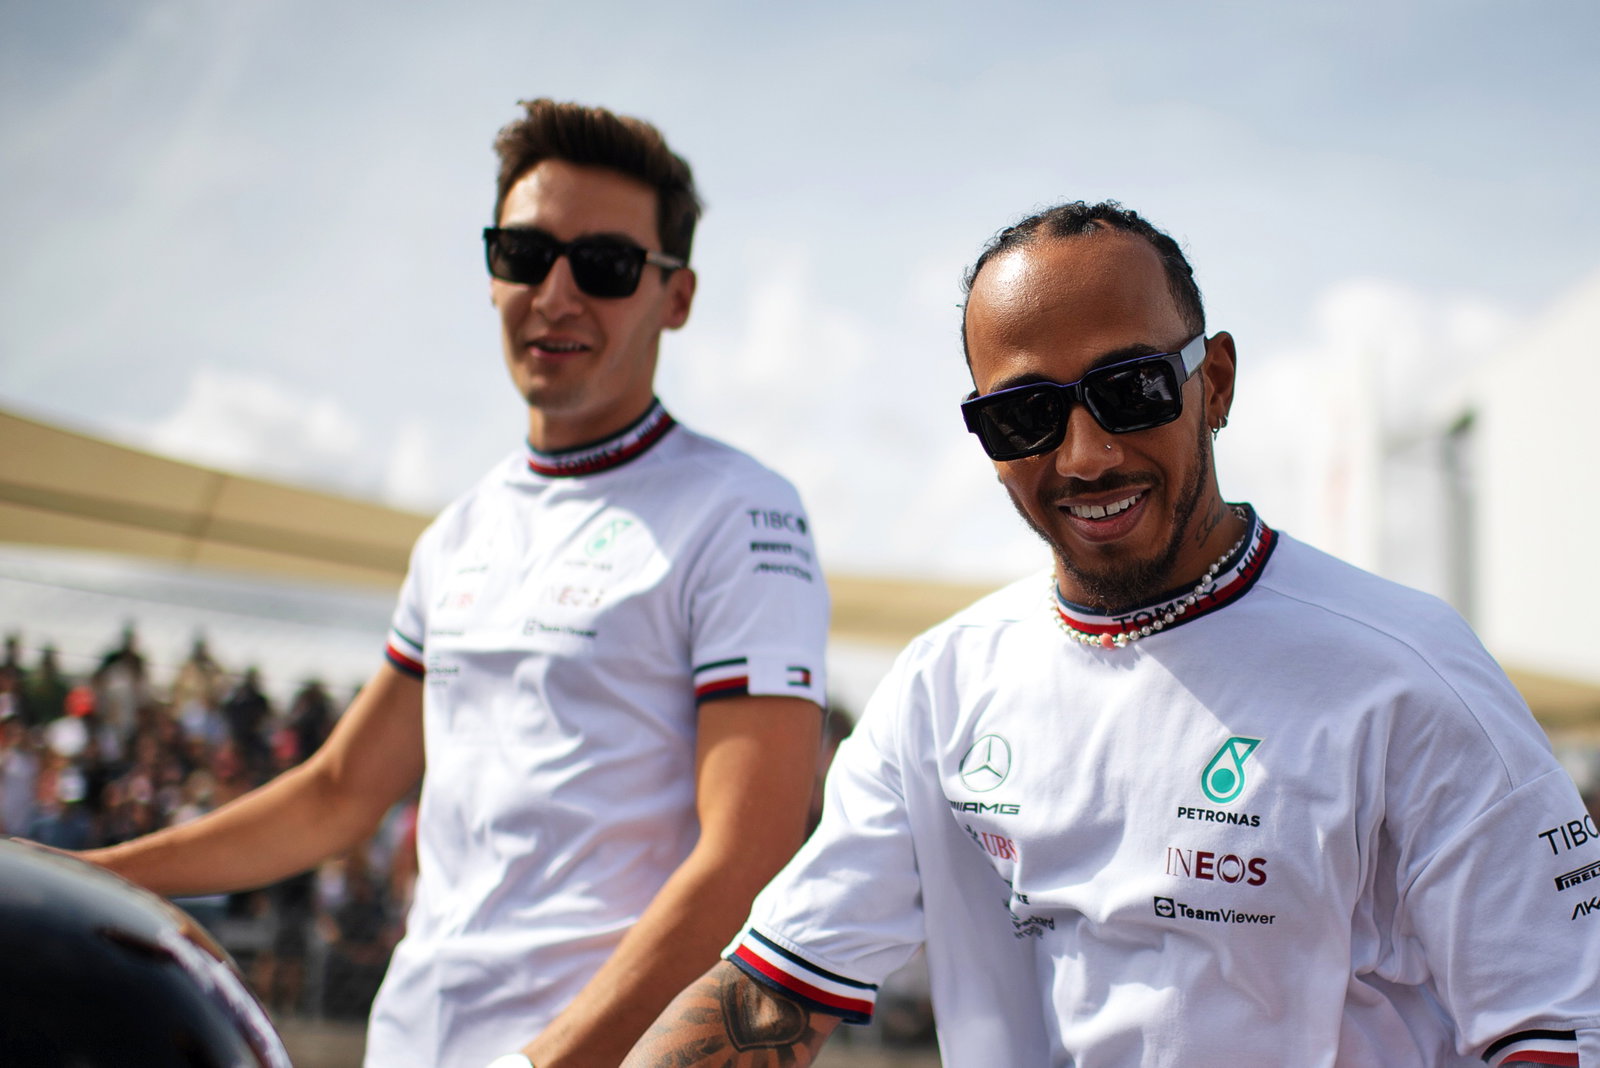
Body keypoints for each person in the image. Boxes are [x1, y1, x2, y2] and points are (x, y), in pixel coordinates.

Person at [623, 202, 1600, 1067]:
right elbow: (772, 994)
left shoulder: (1407, 671)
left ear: (1215, 383)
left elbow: (1563, 1027)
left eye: (1130, 390)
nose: (1086, 455)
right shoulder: (940, 689)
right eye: (1026, 416)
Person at [74, 99, 829, 1067]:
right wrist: (84, 876)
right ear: (492, 272)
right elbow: (337, 796)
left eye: (603, 265)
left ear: (675, 297)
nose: (555, 294)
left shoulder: (742, 511)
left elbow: (746, 859)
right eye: (525, 255)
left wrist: (541, 1065)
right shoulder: (458, 532)